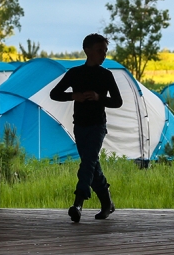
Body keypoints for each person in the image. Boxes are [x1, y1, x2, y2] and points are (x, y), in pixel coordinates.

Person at [49, 33, 123, 223]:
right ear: (87, 50)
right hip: (79, 126)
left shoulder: (106, 75)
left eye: (105, 51)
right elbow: (54, 94)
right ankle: (107, 203)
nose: (103, 54)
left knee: (88, 163)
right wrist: (74, 96)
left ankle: (78, 203)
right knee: (92, 164)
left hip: (98, 125)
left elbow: (117, 101)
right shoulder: (75, 73)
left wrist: (99, 98)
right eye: (100, 50)